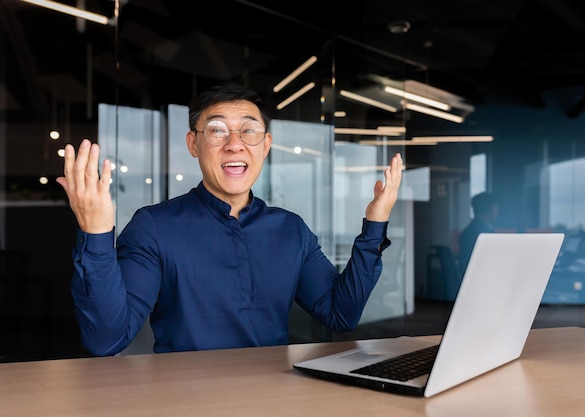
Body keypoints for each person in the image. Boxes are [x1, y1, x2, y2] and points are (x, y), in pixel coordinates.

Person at [56, 83, 403, 356]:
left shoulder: (290, 229)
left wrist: (375, 225)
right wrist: (96, 231)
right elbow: (107, 339)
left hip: (273, 397)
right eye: (217, 130)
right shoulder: (154, 227)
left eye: (249, 131)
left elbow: (340, 314)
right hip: (186, 401)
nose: (235, 144)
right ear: (194, 143)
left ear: (265, 145)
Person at [458, 192, 498, 275]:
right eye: (496, 207)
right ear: (490, 209)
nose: (498, 211)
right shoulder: (486, 235)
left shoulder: (467, 232)